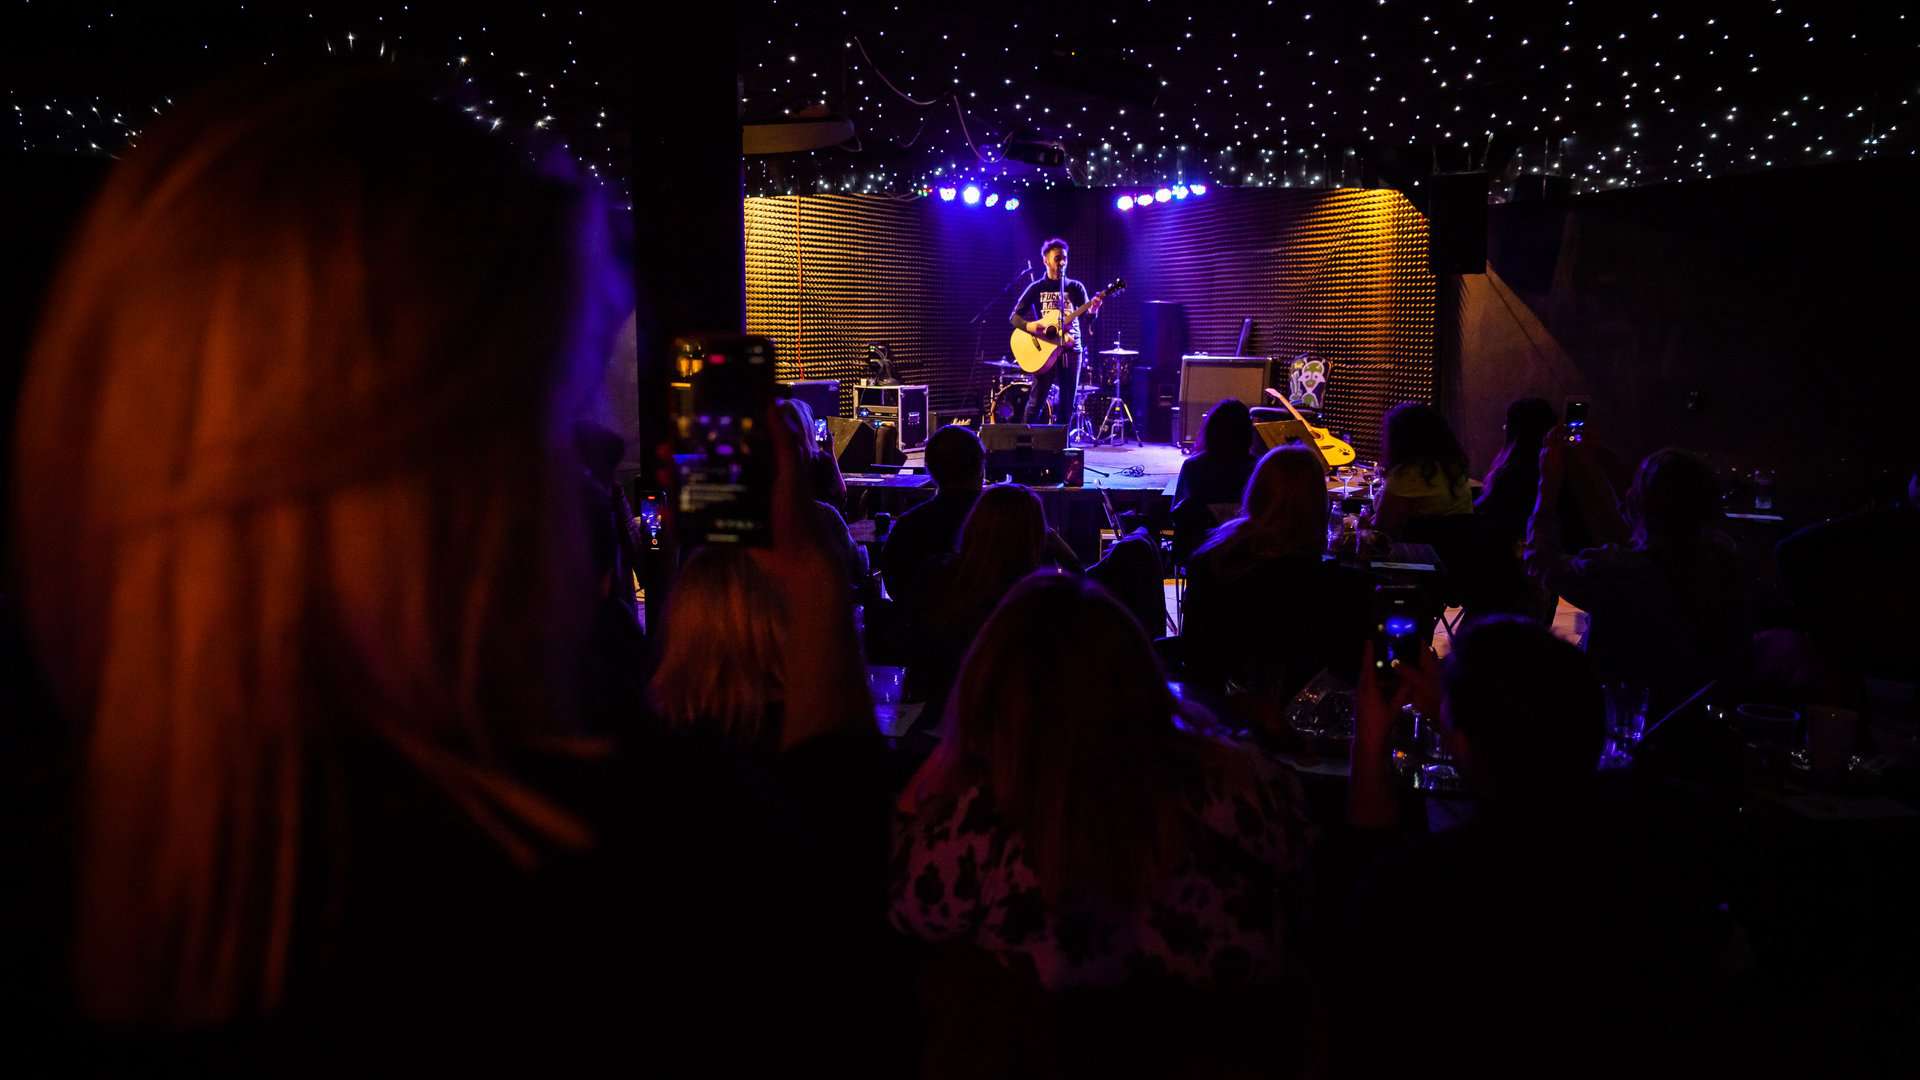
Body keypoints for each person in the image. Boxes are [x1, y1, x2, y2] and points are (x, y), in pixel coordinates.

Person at [892, 571, 1315, 990]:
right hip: (1232, 1030)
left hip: (1040, 1032)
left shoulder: (978, 823)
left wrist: (943, 767)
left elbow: (906, 910)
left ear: (992, 688)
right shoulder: (1247, 788)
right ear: (1140, 672)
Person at [1339, 618, 1724, 1074]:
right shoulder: (1657, 866)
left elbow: (1361, 922)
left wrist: (1372, 739)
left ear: (1462, 742)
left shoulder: (1427, 890)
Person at [1526, 440, 1750, 712]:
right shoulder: (1723, 561)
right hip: (1699, 715)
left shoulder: (1616, 571)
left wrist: (1547, 485)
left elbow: (1541, 564)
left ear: (1645, 504)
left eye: (1635, 484)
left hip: (1625, 717)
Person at [1182, 445, 1372, 702]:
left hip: (1214, 711)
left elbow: (1196, 656)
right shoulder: (1337, 587)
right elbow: (1348, 674)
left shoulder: (1211, 559)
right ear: (1317, 505)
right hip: (1298, 718)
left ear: (1256, 492)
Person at [880, 424, 985, 615]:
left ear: (930, 469)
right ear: (980, 469)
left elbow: (895, 585)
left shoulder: (909, 525)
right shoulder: (1001, 523)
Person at [1009, 237, 1103, 426]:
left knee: (1067, 405)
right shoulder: (1036, 288)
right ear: (1046, 260)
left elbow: (1088, 320)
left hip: (1071, 350)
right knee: (1035, 403)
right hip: (1044, 351)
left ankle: (1062, 443)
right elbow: (1014, 317)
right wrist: (1031, 327)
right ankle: (1027, 440)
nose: (1062, 262)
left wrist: (1093, 310)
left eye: (1065, 258)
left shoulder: (1075, 287)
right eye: (1057, 258)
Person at [1169, 398, 1258, 564]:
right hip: (1247, 553)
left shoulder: (1193, 467)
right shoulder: (1257, 467)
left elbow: (1178, 513)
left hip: (1201, 553)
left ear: (1211, 429)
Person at [1370, 401, 1473, 536]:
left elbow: (1381, 527)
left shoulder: (1407, 473)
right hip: (1459, 545)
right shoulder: (1452, 466)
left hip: (1418, 548)